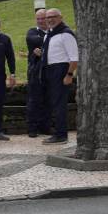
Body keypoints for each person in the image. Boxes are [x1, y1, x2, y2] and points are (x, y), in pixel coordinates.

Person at [42, 8, 79, 144]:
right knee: (53, 103)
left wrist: (69, 74)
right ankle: (57, 132)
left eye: (53, 16)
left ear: (61, 17)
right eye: (48, 17)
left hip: (61, 70)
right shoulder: (49, 35)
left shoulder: (66, 34)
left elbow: (74, 58)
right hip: (50, 70)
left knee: (59, 104)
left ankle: (61, 135)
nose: (50, 19)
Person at [26, 8, 50, 137]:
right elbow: (33, 40)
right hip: (35, 71)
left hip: (50, 70)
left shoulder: (52, 32)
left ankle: (45, 127)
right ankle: (32, 128)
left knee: (48, 100)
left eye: (43, 18)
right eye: (38, 18)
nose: (40, 21)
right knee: (34, 100)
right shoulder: (32, 32)